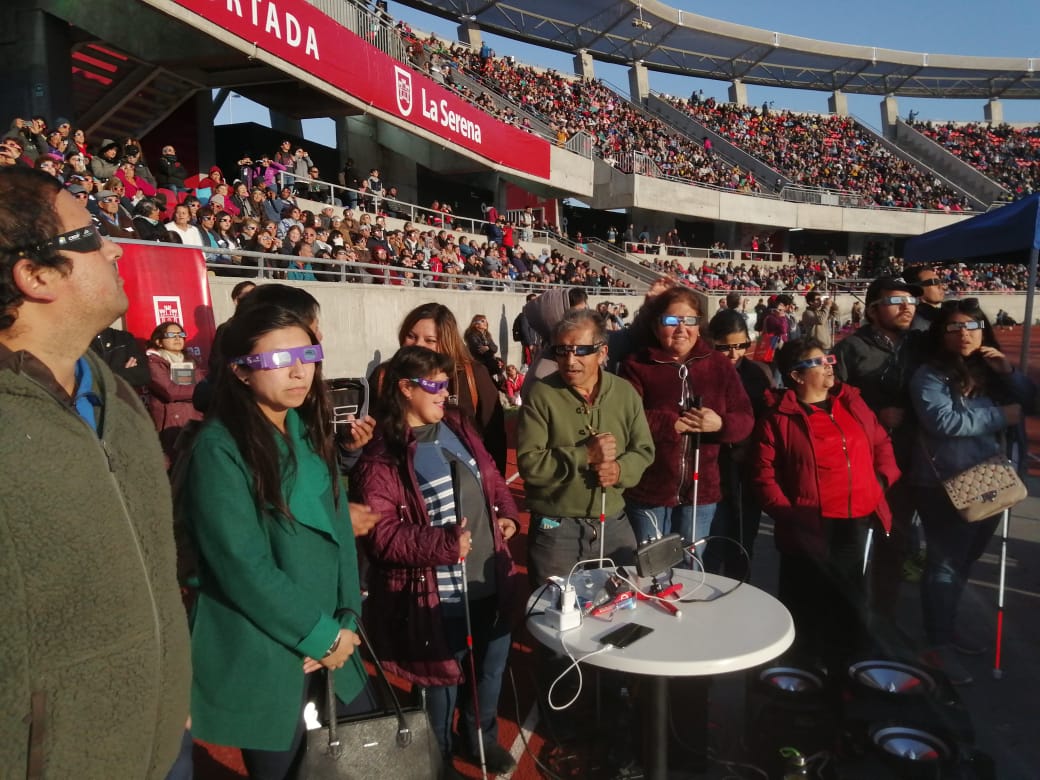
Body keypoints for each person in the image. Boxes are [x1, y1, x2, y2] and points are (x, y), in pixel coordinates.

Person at [0, 166, 190, 777]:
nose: (113, 247)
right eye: (91, 236)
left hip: (155, 750)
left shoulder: (119, 400)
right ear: (35, 275)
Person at [176, 302, 373, 778]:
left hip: (333, 640)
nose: (299, 370)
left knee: (364, 758)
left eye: (307, 354)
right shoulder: (218, 450)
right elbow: (242, 566)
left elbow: (341, 537)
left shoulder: (309, 434)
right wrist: (320, 633)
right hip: (267, 647)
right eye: (279, 359)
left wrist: (348, 616)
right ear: (241, 371)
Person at [353, 346, 520, 778]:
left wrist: (509, 516)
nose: (445, 393)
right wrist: (444, 544)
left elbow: (491, 475)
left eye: (447, 384)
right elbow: (382, 536)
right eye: (434, 385)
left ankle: (479, 736)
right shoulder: (382, 457)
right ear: (405, 389)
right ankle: (438, 758)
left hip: (488, 577)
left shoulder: (457, 425)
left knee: (490, 670)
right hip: (436, 597)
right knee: (441, 685)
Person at [753, 338, 900, 672]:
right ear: (796, 376)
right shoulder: (778, 418)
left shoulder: (852, 403)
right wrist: (788, 514)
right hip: (808, 523)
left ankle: (847, 669)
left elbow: (881, 443)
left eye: (828, 359)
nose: (828, 365)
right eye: (817, 362)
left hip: (856, 518)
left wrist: (880, 484)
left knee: (850, 600)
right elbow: (765, 477)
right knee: (805, 601)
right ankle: (802, 673)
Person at [909, 299, 1034, 685]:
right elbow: (943, 420)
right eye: (954, 328)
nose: (964, 334)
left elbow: (1030, 401)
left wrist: (1008, 372)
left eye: (972, 326)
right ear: (941, 334)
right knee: (945, 563)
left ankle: (944, 627)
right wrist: (1001, 415)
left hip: (993, 479)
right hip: (946, 483)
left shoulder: (991, 370)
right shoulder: (929, 375)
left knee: (964, 562)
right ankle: (937, 644)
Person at [517, 309, 655, 585]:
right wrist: (584, 455)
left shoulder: (625, 392)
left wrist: (619, 470)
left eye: (581, 350)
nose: (570, 360)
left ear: (602, 353)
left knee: (624, 602)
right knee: (553, 613)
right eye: (562, 351)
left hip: (614, 523)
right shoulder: (541, 395)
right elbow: (529, 464)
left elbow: (644, 450)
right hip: (556, 529)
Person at [620, 286, 754, 551]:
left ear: (699, 324)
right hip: (649, 491)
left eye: (689, 320)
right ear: (657, 326)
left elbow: (745, 419)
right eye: (671, 321)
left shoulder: (719, 365)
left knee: (692, 570)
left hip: (701, 494)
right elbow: (626, 418)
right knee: (651, 570)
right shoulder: (636, 365)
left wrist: (721, 424)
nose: (681, 329)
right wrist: (672, 425)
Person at [833, 276, 924, 632]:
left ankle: (882, 622)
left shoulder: (921, 345)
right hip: (861, 466)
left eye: (911, 302)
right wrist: (873, 414)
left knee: (894, 544)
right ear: (872, 310)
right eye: (896, 301)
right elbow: (830, 403)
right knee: (852, 546)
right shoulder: (850, 349)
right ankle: (846, 620)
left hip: (910, 462)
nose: (907, 308)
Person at [373, 303, 507, 475]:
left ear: (447, 342)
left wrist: (494, 492)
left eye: (430, 340)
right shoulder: (384, 376)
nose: (418, 345)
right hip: (400, 485)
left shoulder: (473, 375)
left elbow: (495, 438)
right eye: (411, 336)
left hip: (462, 486)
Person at [703, 309, 776, 578]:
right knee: (710, 549)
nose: (734, 354)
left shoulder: (758, 373)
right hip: (713, 472)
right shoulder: (701, 372)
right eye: (726, 347)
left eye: (741, 345)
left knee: (743, 545)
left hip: (746, 475)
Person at [145, 320, 203, 463]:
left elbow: (203, 387)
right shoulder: (153, 363)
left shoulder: (191, 361)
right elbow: (170, 391)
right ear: (158, 341)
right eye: (171, 335)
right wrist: (199, 391)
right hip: (170, 423)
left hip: (194, 420)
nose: (178, 338)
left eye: (180, 334)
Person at [905, 265, 946, 331]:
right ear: (915, 289)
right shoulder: (915, 322)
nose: (941, 287)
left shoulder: (948, 312)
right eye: (934, 282)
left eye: (940, 281)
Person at [463, 313, 499, 377]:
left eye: (485, 321)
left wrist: (488, 348)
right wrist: (490, 349)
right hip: (480, 365)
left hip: (488, 364)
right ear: (476, 324)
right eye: (482, 321)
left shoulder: (487, 335)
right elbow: (480, 350)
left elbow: (495, 348)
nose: (486, 323)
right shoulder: (472, 335)